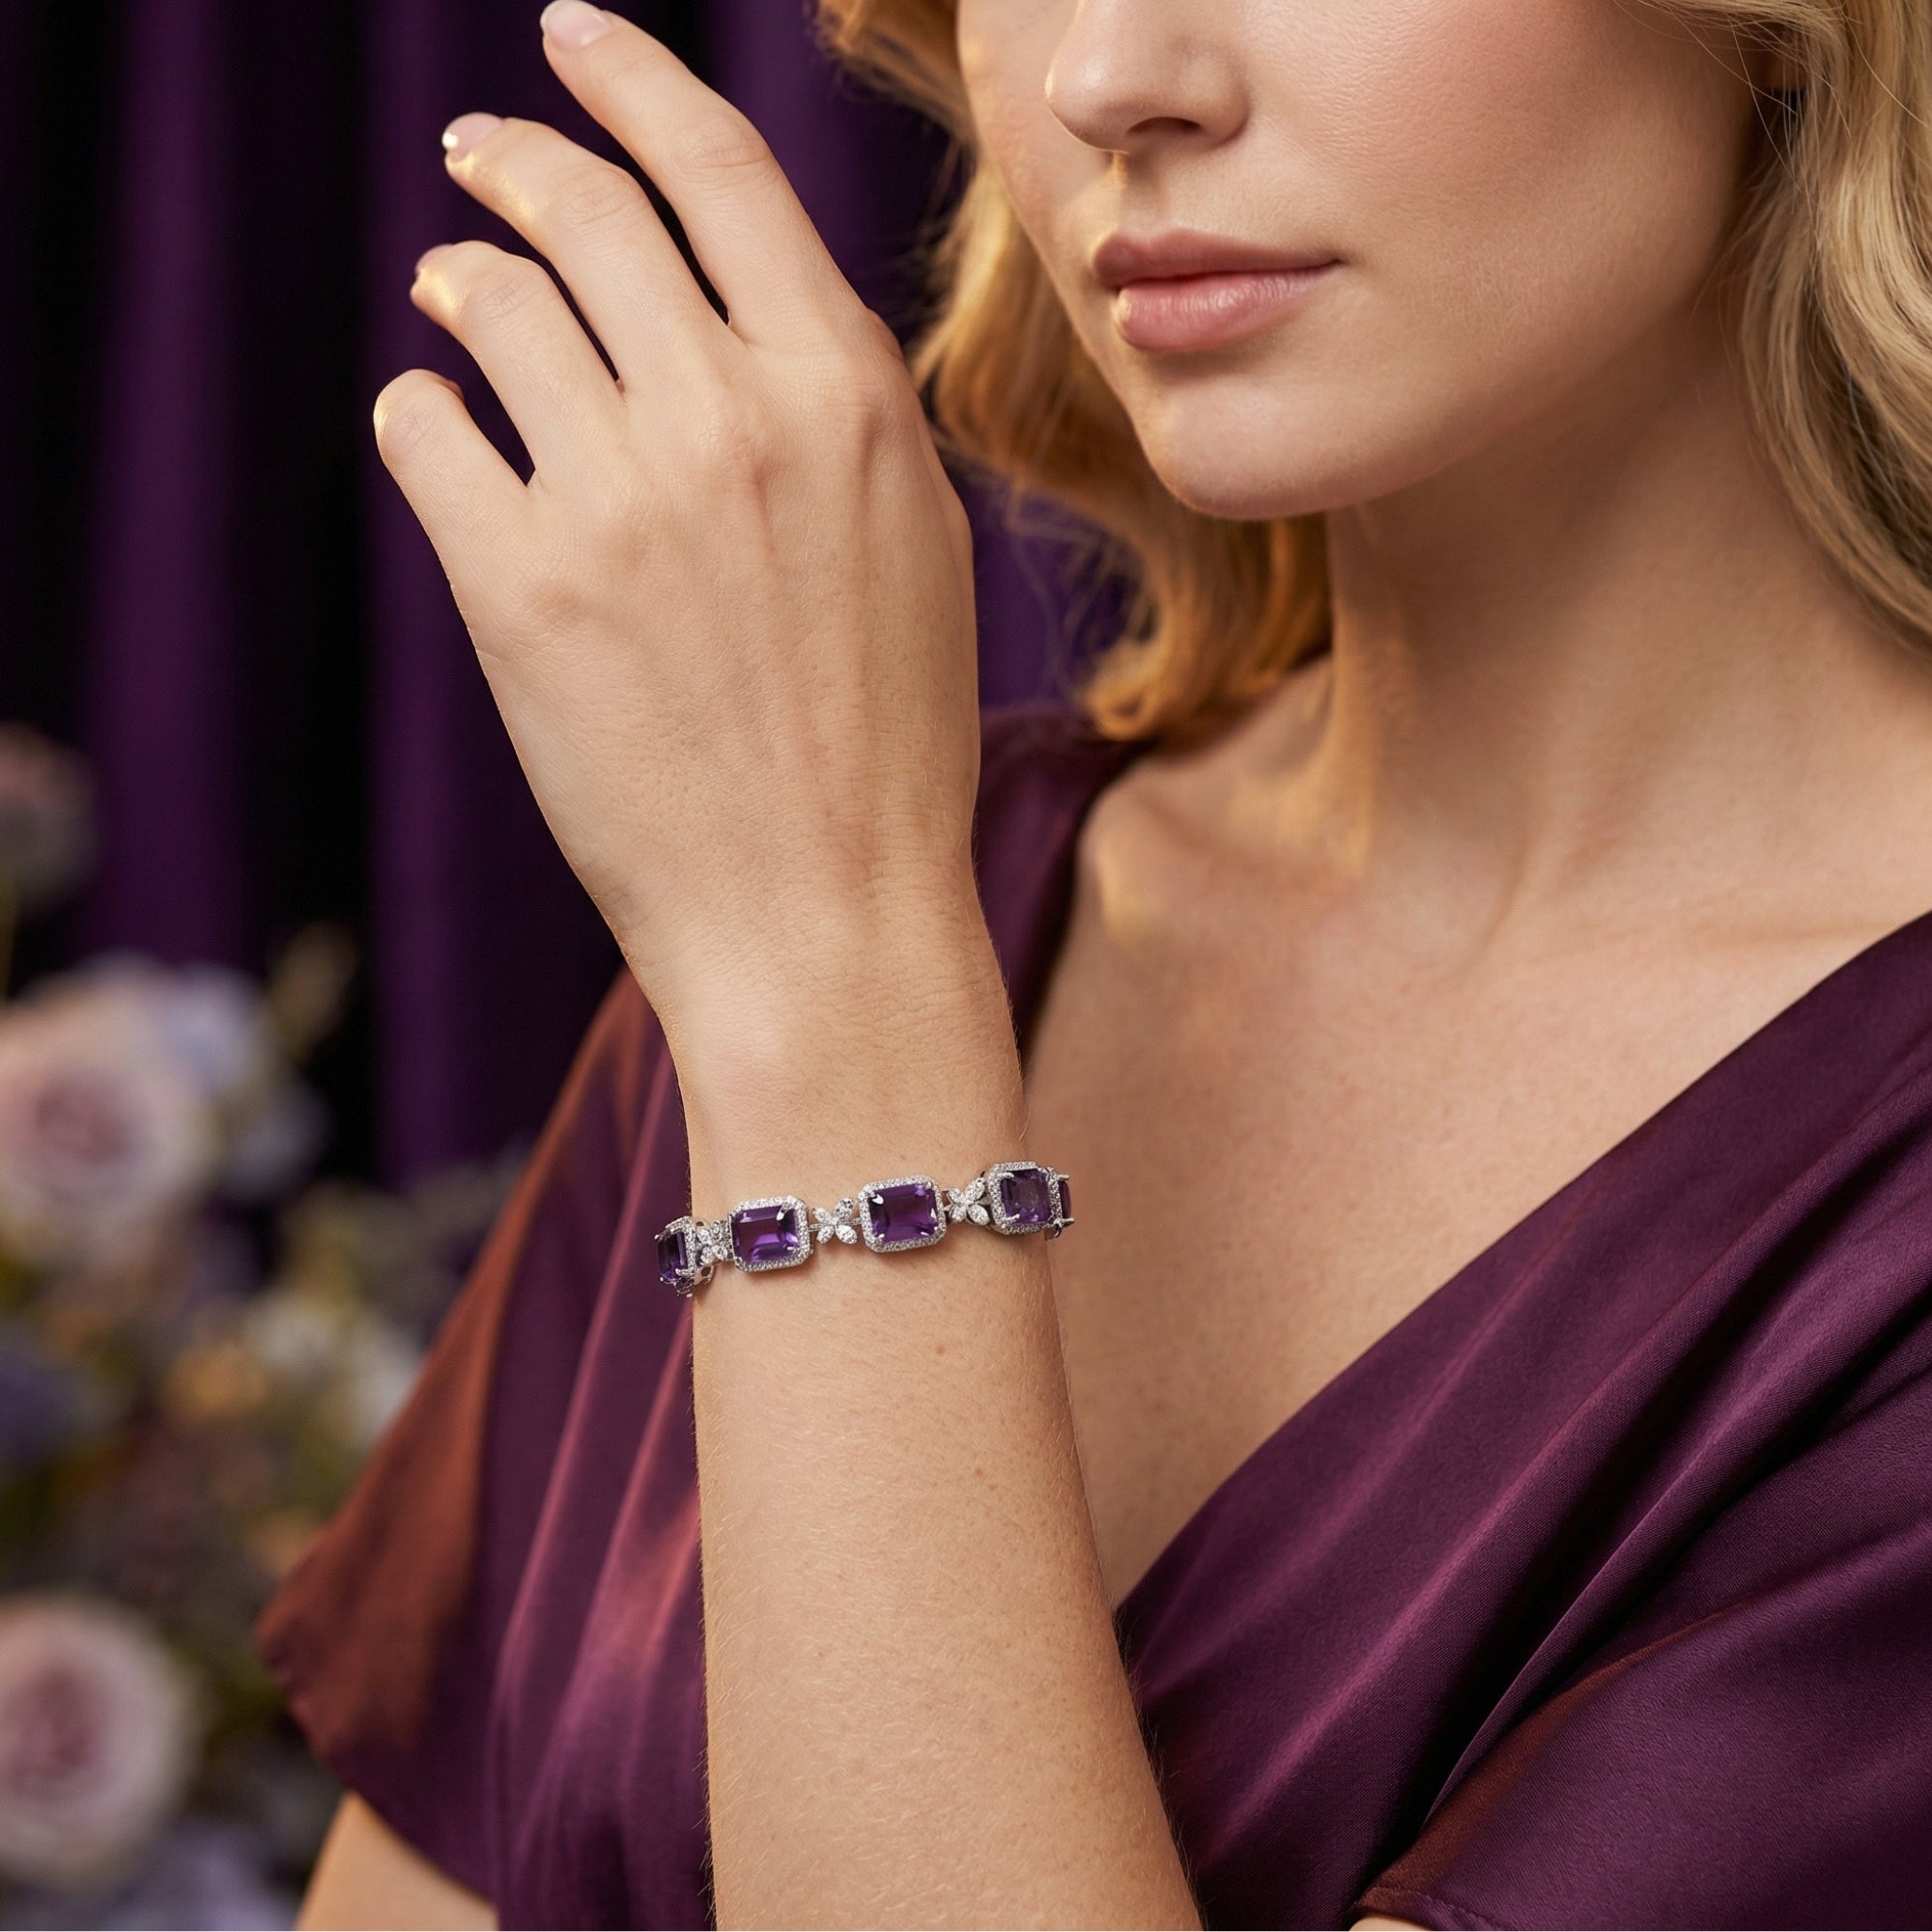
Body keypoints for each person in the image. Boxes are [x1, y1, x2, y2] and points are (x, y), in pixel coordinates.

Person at [263, 0, 1932, 1922]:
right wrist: (824, 967)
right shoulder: (871, 904)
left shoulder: (831, 951)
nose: (1103, 75)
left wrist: (833, 1009)